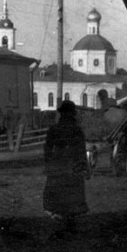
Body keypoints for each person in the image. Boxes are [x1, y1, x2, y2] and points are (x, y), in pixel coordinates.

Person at [43, 100, 90, 234]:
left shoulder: (54, 129)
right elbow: (81, 150)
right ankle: (70, 220)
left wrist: (48, 163)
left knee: (57, 189)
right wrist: (84, 166)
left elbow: (47, 149)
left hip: (58, 163)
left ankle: (59, 216)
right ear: (72, 114)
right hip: (73, 164)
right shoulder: (77, 130)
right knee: (73, 191)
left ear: (61, 114)